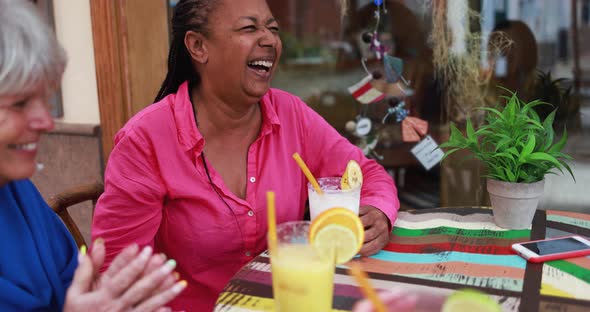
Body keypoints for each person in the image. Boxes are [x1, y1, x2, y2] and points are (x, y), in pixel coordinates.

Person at [91, 0, 400, 309]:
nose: (270, 39)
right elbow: (117, 278)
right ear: (198, 46)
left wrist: (377, 212)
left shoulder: (291, 115)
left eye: (273, 29)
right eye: (250, 28)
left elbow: (368, 174)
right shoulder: (145, 141)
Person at [0, 0, 185, 310]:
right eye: (20, 104)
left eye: (45, 100)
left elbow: (72, 284)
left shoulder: (18, 192)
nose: (45, 122)